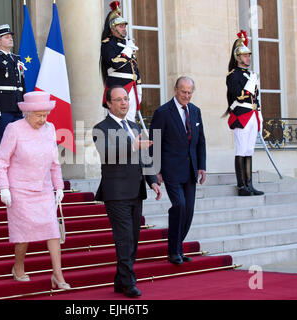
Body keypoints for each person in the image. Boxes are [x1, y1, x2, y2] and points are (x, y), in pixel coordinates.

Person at [0, 91, 70, 290]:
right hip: (19, 189)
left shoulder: (50, 128)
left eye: (45, 115)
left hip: (43, 188)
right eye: (38, 115)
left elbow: (55, 162)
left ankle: (58, 275)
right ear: (27, 113)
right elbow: (1, 160)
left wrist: (59, 186)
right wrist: (4, 188)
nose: (43, 119)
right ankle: (18, 267)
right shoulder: (14, 129)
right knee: (23, 233)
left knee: (53, 230)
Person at [93, 85, 162, 298]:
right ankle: (129, 282)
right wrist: (133, 146)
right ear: (109, 103)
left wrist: (153, 181)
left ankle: (120, 279)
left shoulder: (133, 125)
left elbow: (146, 157)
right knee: (125, 239)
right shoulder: (101, 128)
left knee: (133, 238)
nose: (124, 103)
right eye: (119, 99)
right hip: (116, 193)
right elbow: (107, 153)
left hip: (136, 190)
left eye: (126, 99)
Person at [150, 76, 207, 265]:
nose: (187, 95)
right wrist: (156, 170)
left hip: (190, 170)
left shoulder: (195, 111)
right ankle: (173, 251)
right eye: (183, 91)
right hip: (171, 169)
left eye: (190, 92)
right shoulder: (163, 112)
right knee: (179, 206)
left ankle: (177, 247)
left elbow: (201, 141)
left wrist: (202, 166)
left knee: (189, 211)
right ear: (175, 90)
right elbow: (154, 142)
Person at [224, 30, 264, 196]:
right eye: (245, 55)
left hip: (252, 115)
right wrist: (249, 85)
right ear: (238, 57)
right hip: (241, 115)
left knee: (249, 151)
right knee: (241, 150)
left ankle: (249, 184)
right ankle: (242, 186)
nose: (248, 58)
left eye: (248, 55)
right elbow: (237, 95)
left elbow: (256, 98)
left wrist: (259, 113)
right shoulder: (233, 76)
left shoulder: (251, 74)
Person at [0, 24, 26, 156]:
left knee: (19, 142)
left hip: (17, 106)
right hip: (3, 107)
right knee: (3, 140)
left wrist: (25, 105)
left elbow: (21, 84)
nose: (10, 39)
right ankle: (2, 173)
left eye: (10, 37)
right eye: (6, 37)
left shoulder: (16, 59)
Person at [101, 1, 142, 122]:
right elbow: (115, 63)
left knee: (131, 121)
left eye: (124, 26)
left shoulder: (127, 43)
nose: (124, 29)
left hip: (132, 86)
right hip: (118, 86)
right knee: (119, 121)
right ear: (113, 28)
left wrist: (138, 86)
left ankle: (132, 141)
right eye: (120, 26)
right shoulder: (108, 44)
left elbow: (134, 68)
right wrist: (127, 51)